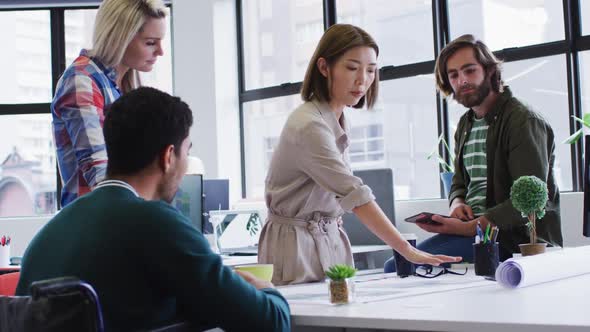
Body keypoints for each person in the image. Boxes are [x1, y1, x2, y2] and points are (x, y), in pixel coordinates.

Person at [17, 87, 291, 332]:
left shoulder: (47, 235)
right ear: (168, 156)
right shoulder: (157, 223)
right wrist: (268, 292)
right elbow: (269, 323)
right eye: (187, 152)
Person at [258, 24, 461, 286]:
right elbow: (355, 194)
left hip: (330, 237)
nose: (362, 80)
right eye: (352, 68)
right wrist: (406, 249)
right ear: (324, 67)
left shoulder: (338, 119)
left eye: (371, 70)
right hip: (295, 245)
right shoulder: (308, 124)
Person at [386, 34, 562, 271]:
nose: (462, 81)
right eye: (454, 75)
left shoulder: (522, 121)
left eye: (469, 71)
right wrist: (457, 203)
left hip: (511, 241)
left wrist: (470, 227)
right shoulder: (466, 124)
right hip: (473, 234)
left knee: (401, 266)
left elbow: (530, 200)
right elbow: (459, 182)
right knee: (398, 265)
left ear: (489, 71)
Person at [53, 0, 167, 207]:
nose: (161, 51)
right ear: (120, 39)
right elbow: (101, 177)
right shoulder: (82, 81)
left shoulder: (123, 85)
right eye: (151, 42)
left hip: (116, 217)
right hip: (94, 225)